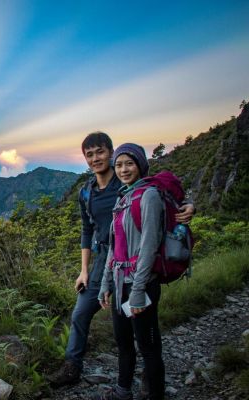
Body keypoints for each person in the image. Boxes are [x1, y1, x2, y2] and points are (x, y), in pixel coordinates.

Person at [48, 133, 194, 388]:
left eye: (100, 152)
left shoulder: (128, 179)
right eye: (90, 154)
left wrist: (190, 205)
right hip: (104, 262)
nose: (96, 159)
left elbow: (164, 192)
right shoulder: (86, 192)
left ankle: (150, 375)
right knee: (81, 313)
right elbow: (87, 230)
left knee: (143, 321)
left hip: (135, 260)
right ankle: (72, 366)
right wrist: (83, 270)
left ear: (111, 152)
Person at [94, 143, 167, 400]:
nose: (123, 169)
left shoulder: (149, 195)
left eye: (129, 163)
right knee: (123, 342)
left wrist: (137, 291)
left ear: (140, 165)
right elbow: (114, 249)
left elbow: (148, 246)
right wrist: (105, 285)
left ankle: (157, 394)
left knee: (147, 345)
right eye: (119, 164)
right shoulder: (123, 197)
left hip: (142, 284)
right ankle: (123, 391)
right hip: (119, 283)